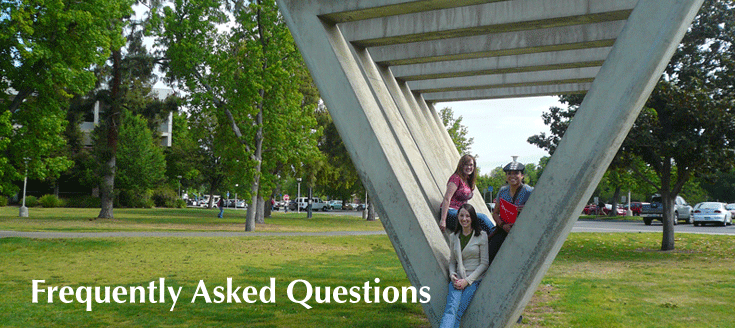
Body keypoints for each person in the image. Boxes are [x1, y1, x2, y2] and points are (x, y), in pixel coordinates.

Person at [439, 203, 489, 328]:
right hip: (457, 280)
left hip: (473, 280)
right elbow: (452, 261)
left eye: (467, 216)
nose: (464, 219)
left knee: (459, 311)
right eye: (461, 215)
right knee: (451, 309)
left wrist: (467, 281)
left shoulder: (481, 236)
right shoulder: (453, 237)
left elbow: (484, 263)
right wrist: (452, 275)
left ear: (472, 218)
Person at [489, 157, 534, 264]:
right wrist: (502, 225)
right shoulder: (503, 191)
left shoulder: (530, 191)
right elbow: (495, 213)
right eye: (509, 173)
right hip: (504, 229)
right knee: (491, 251)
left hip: (522, 231)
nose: (512, 176)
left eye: (516, 173)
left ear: (522, 176)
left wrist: (527, 210)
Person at [439, 154, 494, 235]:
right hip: (450, 212)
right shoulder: (456, 178)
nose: (469, 167)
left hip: (461, 212)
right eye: (466, 165)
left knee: (480, 229)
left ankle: (493, 240)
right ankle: (497, 236)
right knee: (482, 218)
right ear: (461, 166)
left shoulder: (468, 180)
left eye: (471, 165)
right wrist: (443, 220)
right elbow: (447, 198)